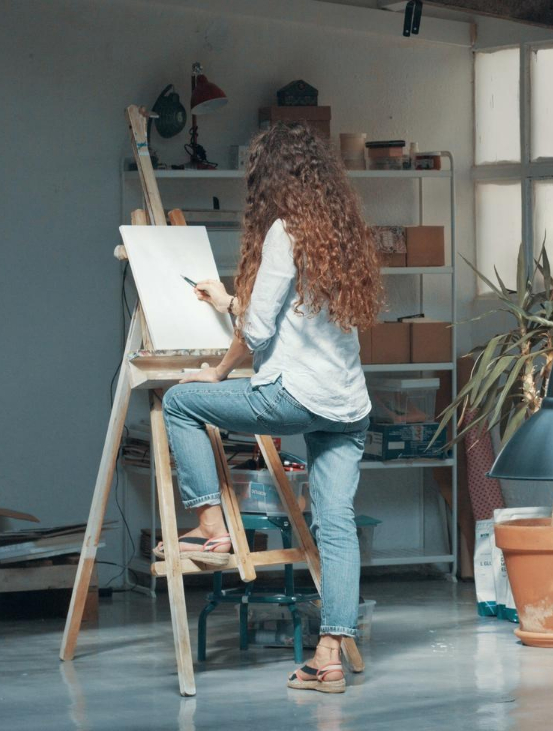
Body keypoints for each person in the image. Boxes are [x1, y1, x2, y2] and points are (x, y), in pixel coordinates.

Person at [156, 121, 382, 694]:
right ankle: (329, 657)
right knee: (335, 527)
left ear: (272, 180)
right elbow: (292, 320)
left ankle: (211, 527)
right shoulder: (342, 232)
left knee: (181, 401)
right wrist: (230, 302)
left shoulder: (284, 230)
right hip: (349, 406)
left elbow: (259, 329)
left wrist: (222, 359)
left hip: (295, 397)